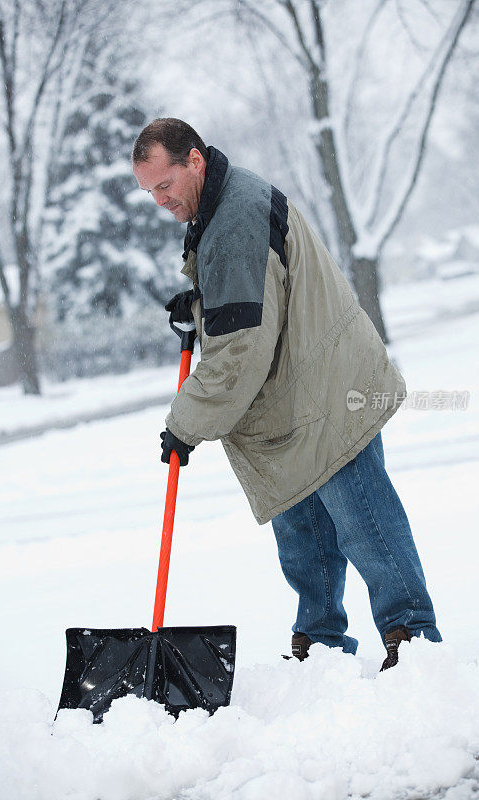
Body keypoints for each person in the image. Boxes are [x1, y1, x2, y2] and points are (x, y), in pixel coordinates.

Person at [132, 118, 441, 670]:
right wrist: (202, 304)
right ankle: (321, 646)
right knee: (303, 532)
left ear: (195, 161)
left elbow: (239, 351)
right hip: (297, 399)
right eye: (149, 191)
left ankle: (413, 639)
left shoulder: (232, 223)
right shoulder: (225, 206)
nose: (159, 200)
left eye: (164, 185)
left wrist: (185, 424)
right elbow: (257, 299)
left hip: (326, 394)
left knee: (364, 522)